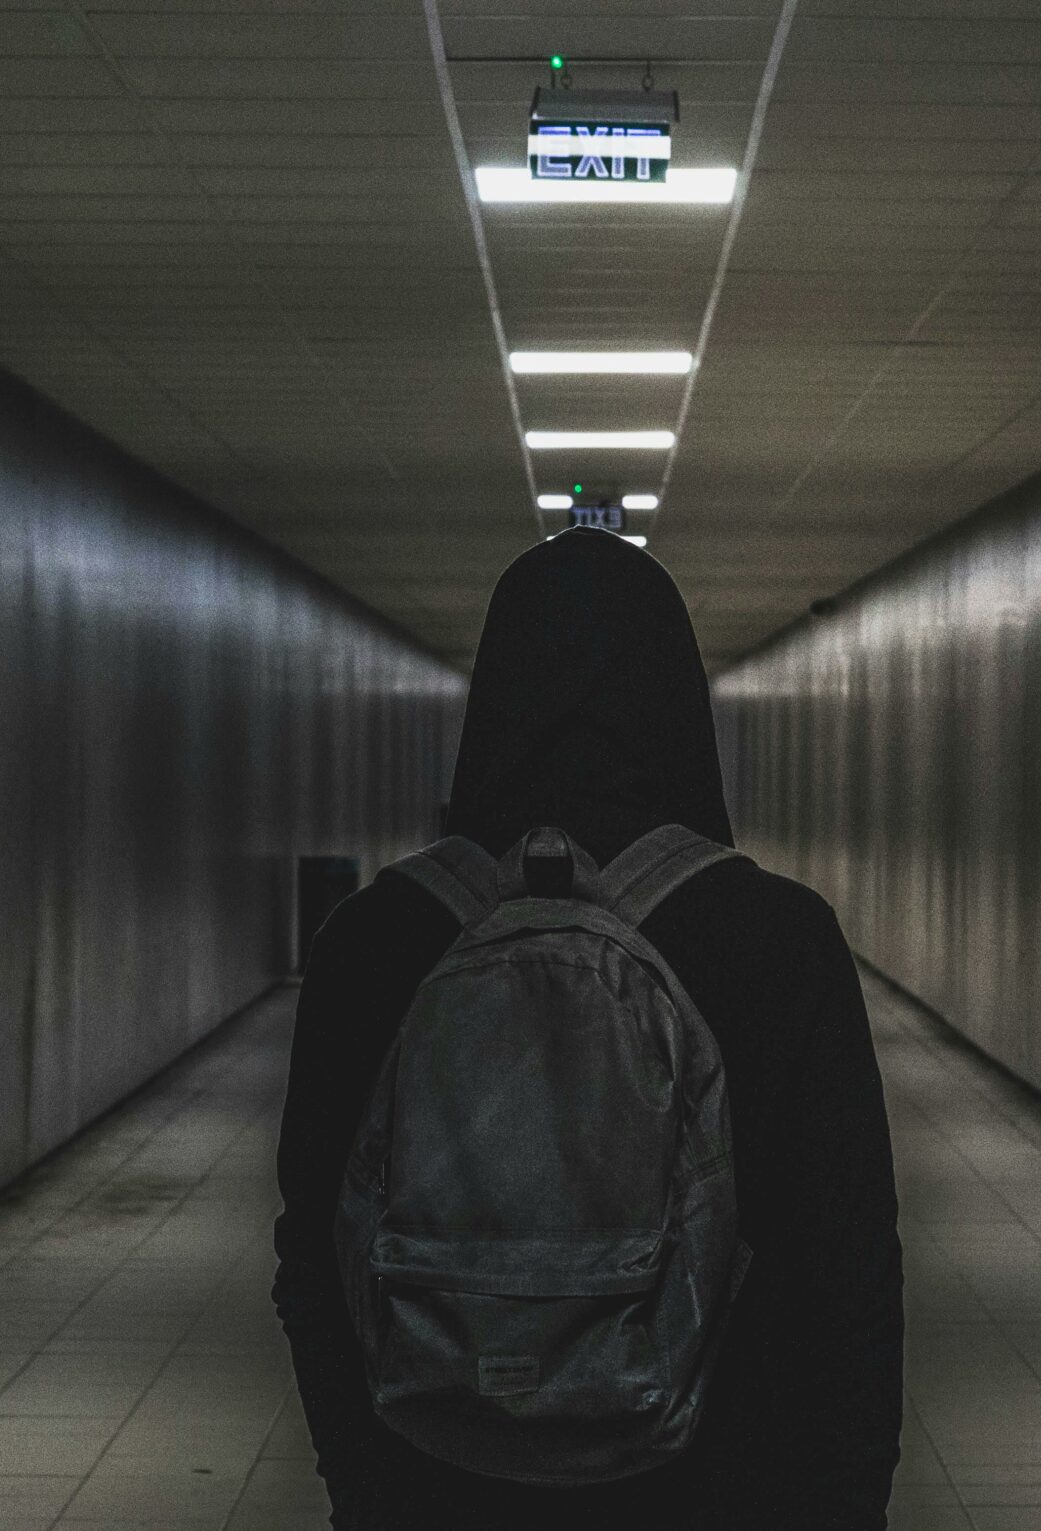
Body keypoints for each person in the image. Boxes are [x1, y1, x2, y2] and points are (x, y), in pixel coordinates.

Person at [272, 527, 904, 1529]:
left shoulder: (373, 940)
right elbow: (847, 1275)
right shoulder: (777, 941)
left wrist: (366, 1488)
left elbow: (313, 1252)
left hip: (433, 1486)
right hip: (717, 1490)